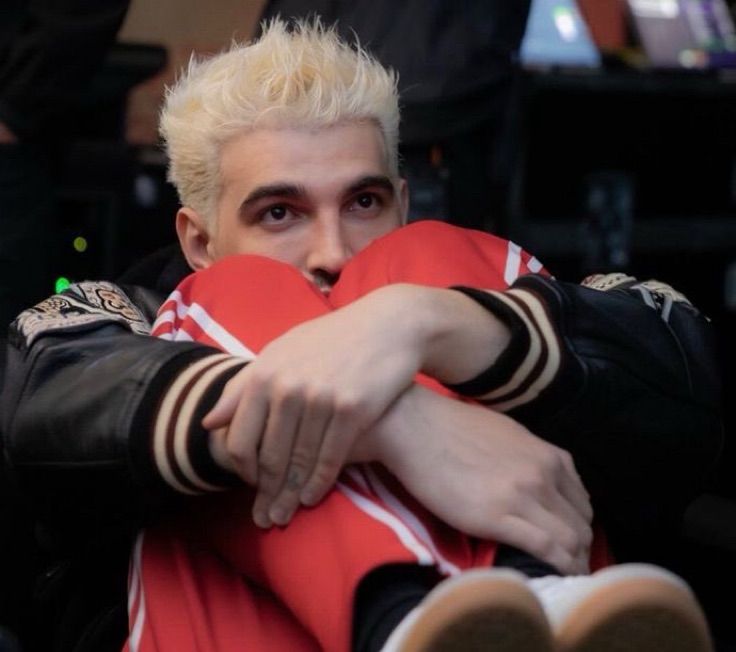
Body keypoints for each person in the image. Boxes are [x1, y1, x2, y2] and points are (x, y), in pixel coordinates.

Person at [0, 17, 722, 652]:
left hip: (554, 626)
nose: (334, 251)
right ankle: (409, 614)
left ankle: (514, 601)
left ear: (402, 201)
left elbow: (683, 364)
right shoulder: (132, 313)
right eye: (279, 213)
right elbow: (47, 397)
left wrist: (417, 320)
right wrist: (397, 422)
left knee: (433, 264)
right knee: (238, 303)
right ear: (199, 238)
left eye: (365, 201)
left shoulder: (466, 274)